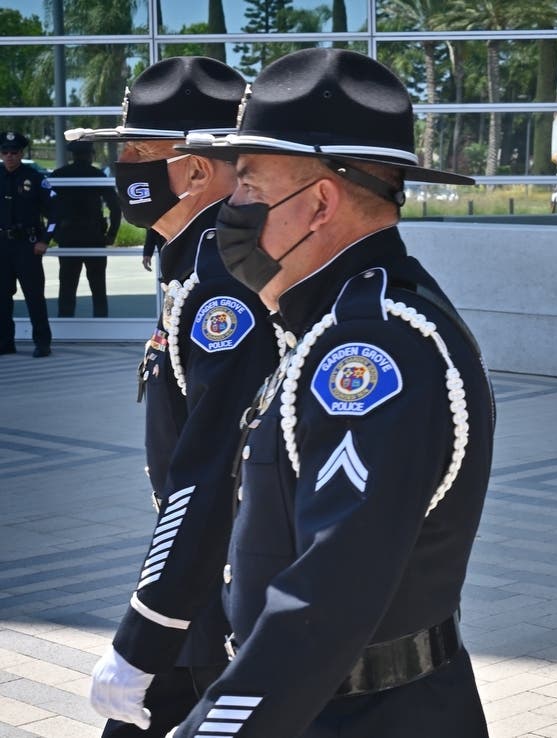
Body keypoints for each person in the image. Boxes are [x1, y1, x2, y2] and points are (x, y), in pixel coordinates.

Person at [170, 47, 495, 738]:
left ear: (320, 203)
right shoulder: (330, 323)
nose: (233, 208)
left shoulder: (372, 349)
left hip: (367, 717)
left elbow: (324, 600)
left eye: (251, 186)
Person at [67, 57, 282, 738]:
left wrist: (146, 632)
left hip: (216, 599)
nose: (122, 168)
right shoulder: (190, 264)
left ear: (194, 171)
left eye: (135, 151)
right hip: (198, 591)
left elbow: (211, 467)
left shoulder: (219, 281)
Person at [0, 131, 56, 357]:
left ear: (21, 153)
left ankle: (42, 343)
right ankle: (5, 342)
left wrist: (45, 240)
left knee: (34, 297)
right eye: (5, 152)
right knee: (2, 299)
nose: (10, 156)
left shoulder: (34, 178)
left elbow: (55, 212)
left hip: (28, 246)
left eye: (14, 152)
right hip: (2, 248)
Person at [51, 140, 121, 317]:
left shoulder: (60, 175)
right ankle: (101, 321)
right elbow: (115, 207)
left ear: (72, 155)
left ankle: (65, 321)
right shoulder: (96, 175)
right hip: (94, 236)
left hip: (68, 237)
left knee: (67, 285)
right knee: (98, 286)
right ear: (91, 155)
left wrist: (54, 232)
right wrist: (111, 234)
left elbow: (47, 206)